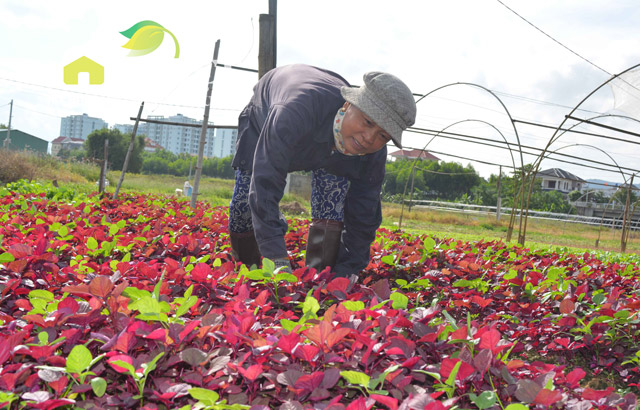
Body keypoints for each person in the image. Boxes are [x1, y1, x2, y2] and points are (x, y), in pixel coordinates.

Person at [228, 64, 416, 277]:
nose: (369, 138)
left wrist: (347, 272)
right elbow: (264, 186)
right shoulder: (293, 112)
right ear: (348, 104)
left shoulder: (371, 152)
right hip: (265, 120)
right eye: (367, 122)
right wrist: (278, 261)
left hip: (333, 141)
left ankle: (318, 276)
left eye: (383, 136)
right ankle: (247, 269)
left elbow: (364, 213)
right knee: (244, 203)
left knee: (330, 208)